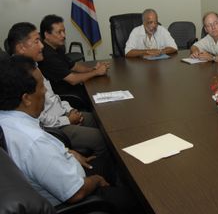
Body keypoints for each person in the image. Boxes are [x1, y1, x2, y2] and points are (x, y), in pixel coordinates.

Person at [0, 56, 139, 213]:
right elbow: (76, 193)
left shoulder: (6, 120)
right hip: (77, 197)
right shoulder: (35, 142)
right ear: (26, 99)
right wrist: (97, 180)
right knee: (135, 198)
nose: (45, 90)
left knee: (109, 164)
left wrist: (66, 151)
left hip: (64, 172)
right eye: (41, 87)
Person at [8, 22, 107, 159]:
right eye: (37, 41)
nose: (42, 46)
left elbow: (53, 97)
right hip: (55, 128)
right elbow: (40, 120)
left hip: (63, 114)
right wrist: (67, 119)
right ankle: (101, 175)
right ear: (21, 47)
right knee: (100, 139)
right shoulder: (19, 76)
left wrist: (69, 109)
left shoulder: (34, 66)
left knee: (103, 119)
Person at [37, 14, 109, 104]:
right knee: (100, 95)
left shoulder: (56, 47)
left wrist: (93, 69)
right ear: (47, 35)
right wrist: (96, 72)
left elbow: (74, 66)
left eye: (64, 31)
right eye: (59, 32)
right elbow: (73, 80)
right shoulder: (47, 55)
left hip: (70, 86)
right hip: (63, 94)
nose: (64, 35)